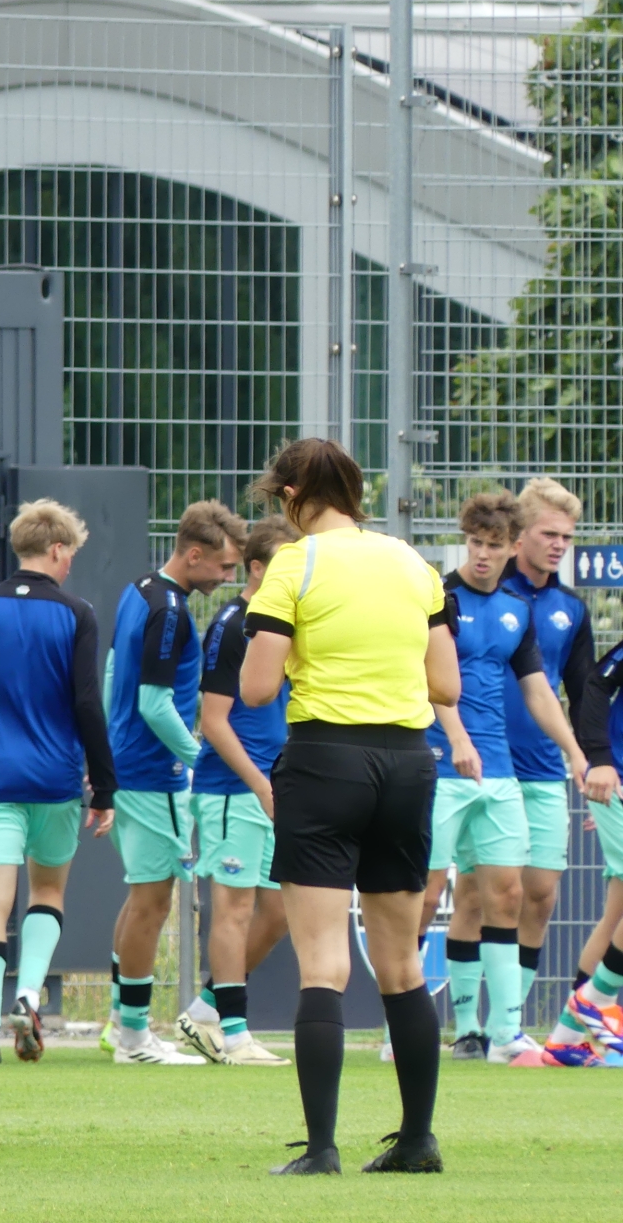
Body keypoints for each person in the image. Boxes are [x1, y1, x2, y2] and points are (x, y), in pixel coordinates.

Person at [239, 437, 459, 1176]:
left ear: (292, 495)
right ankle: (418, 1140)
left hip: (325, 760)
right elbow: (447, 686)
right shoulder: (412, 563)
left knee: (323, 965)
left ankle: (322, 1148)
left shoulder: (295, 564)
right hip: (407, 764)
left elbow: (257, 689)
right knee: (402, 963)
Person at [419, 490, 584, 1064]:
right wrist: (458, 739)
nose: (483, 554)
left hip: (501, 773)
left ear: (512, 547)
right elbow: (428, 679)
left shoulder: (517, 608)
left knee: (508, 894)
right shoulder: (439, 598)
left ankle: (503, 1034)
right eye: (475, 543)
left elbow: (537, 690)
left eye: (494, 545)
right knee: (425, 894)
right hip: (441, 768)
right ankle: (402, 1025)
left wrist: (575, 752)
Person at [0, 498, 115, 1066]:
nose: (71, 563)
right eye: (70, 553)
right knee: (47, 891)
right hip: (54, 780)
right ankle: (28, 994)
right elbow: (87, 702)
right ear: (57, 549)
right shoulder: (76, 613)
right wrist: (105, 785)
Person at [101, 500, 246, 1064]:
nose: (227, 578)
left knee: (141, 895)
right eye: (224, 566)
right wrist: (198, 758)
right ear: (194, 555)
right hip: (153, 774)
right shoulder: (170, 612)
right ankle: (135, 1037)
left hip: (129, 767)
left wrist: (105, 751)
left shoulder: (139, 590)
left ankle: (121, 1022)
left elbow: (112, 673)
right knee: (153, 901)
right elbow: (155, 704)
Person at [174, 514, 299, 1066]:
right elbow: (214, 721)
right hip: (233, 790)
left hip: (273, 787)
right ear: (257, 568)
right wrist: (259, 784)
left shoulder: (285, 623)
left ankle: (206, 1009)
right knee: (233, 908)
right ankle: (235, 1033)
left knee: (279, 910)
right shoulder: (233, 624)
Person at [490, 479, 594, 1044]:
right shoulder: (485, 591)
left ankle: (507, 1024)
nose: (558, 545)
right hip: (484, 764)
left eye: (567, 538)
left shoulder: (571, 608)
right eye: (548, 534)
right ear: (520, 534)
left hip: (543, 768)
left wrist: (593, 763)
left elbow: (583, 694)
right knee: (484, 893)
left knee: (540, 894)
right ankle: (467, 1027)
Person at [545, 643, 623, 1063]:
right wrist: (601, 760)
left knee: (616, 913)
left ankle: (566, 1040)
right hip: (616, 779)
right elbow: (596, 684)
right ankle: (596, 999)